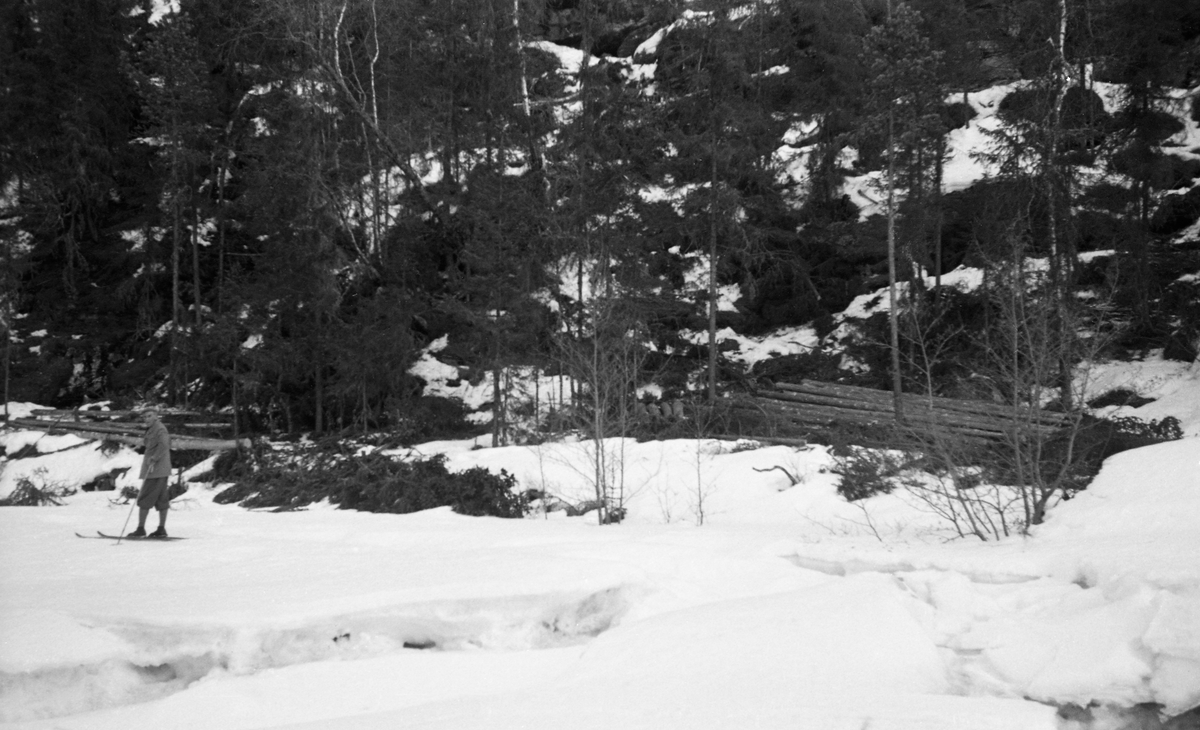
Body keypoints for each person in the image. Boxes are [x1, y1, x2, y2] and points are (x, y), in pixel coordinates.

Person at [128, 408, 172, 538]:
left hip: (156, 470)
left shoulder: (160, 429)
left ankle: (141, 529)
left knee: (145, 497)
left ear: (156, 417)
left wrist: (155, 458)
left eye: (149, 416)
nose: (146, 419)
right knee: (161, 498)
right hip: (159, 470)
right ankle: (161, 529)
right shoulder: (153, 429)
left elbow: (164, 445)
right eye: (144, 417)